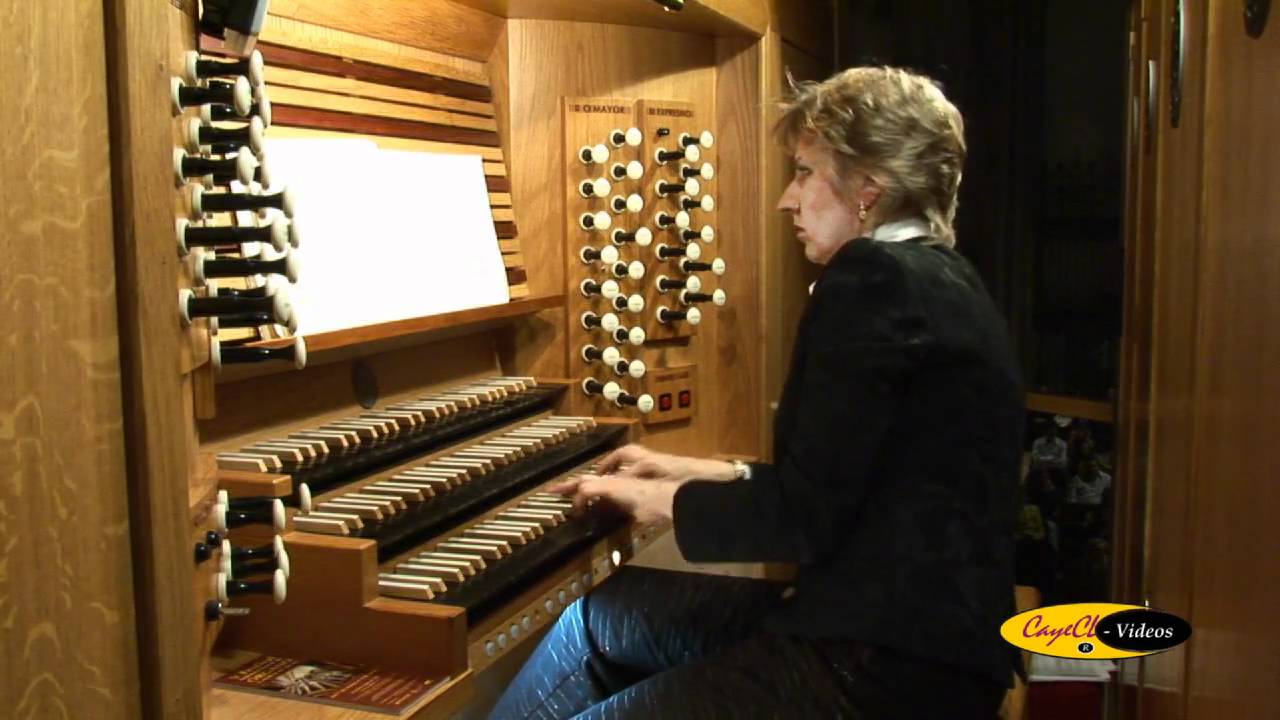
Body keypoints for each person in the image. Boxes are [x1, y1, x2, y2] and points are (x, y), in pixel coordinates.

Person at [489, 66, 1025, 720]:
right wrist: (697, 469)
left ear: (867, 189)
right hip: (927, 647)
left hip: (879, 667)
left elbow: (805, 517)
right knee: (596, 620)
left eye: (804, 172)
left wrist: (659, 499)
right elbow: (847, 476)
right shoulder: (944, 278)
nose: (786, 199)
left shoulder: (873, 278)